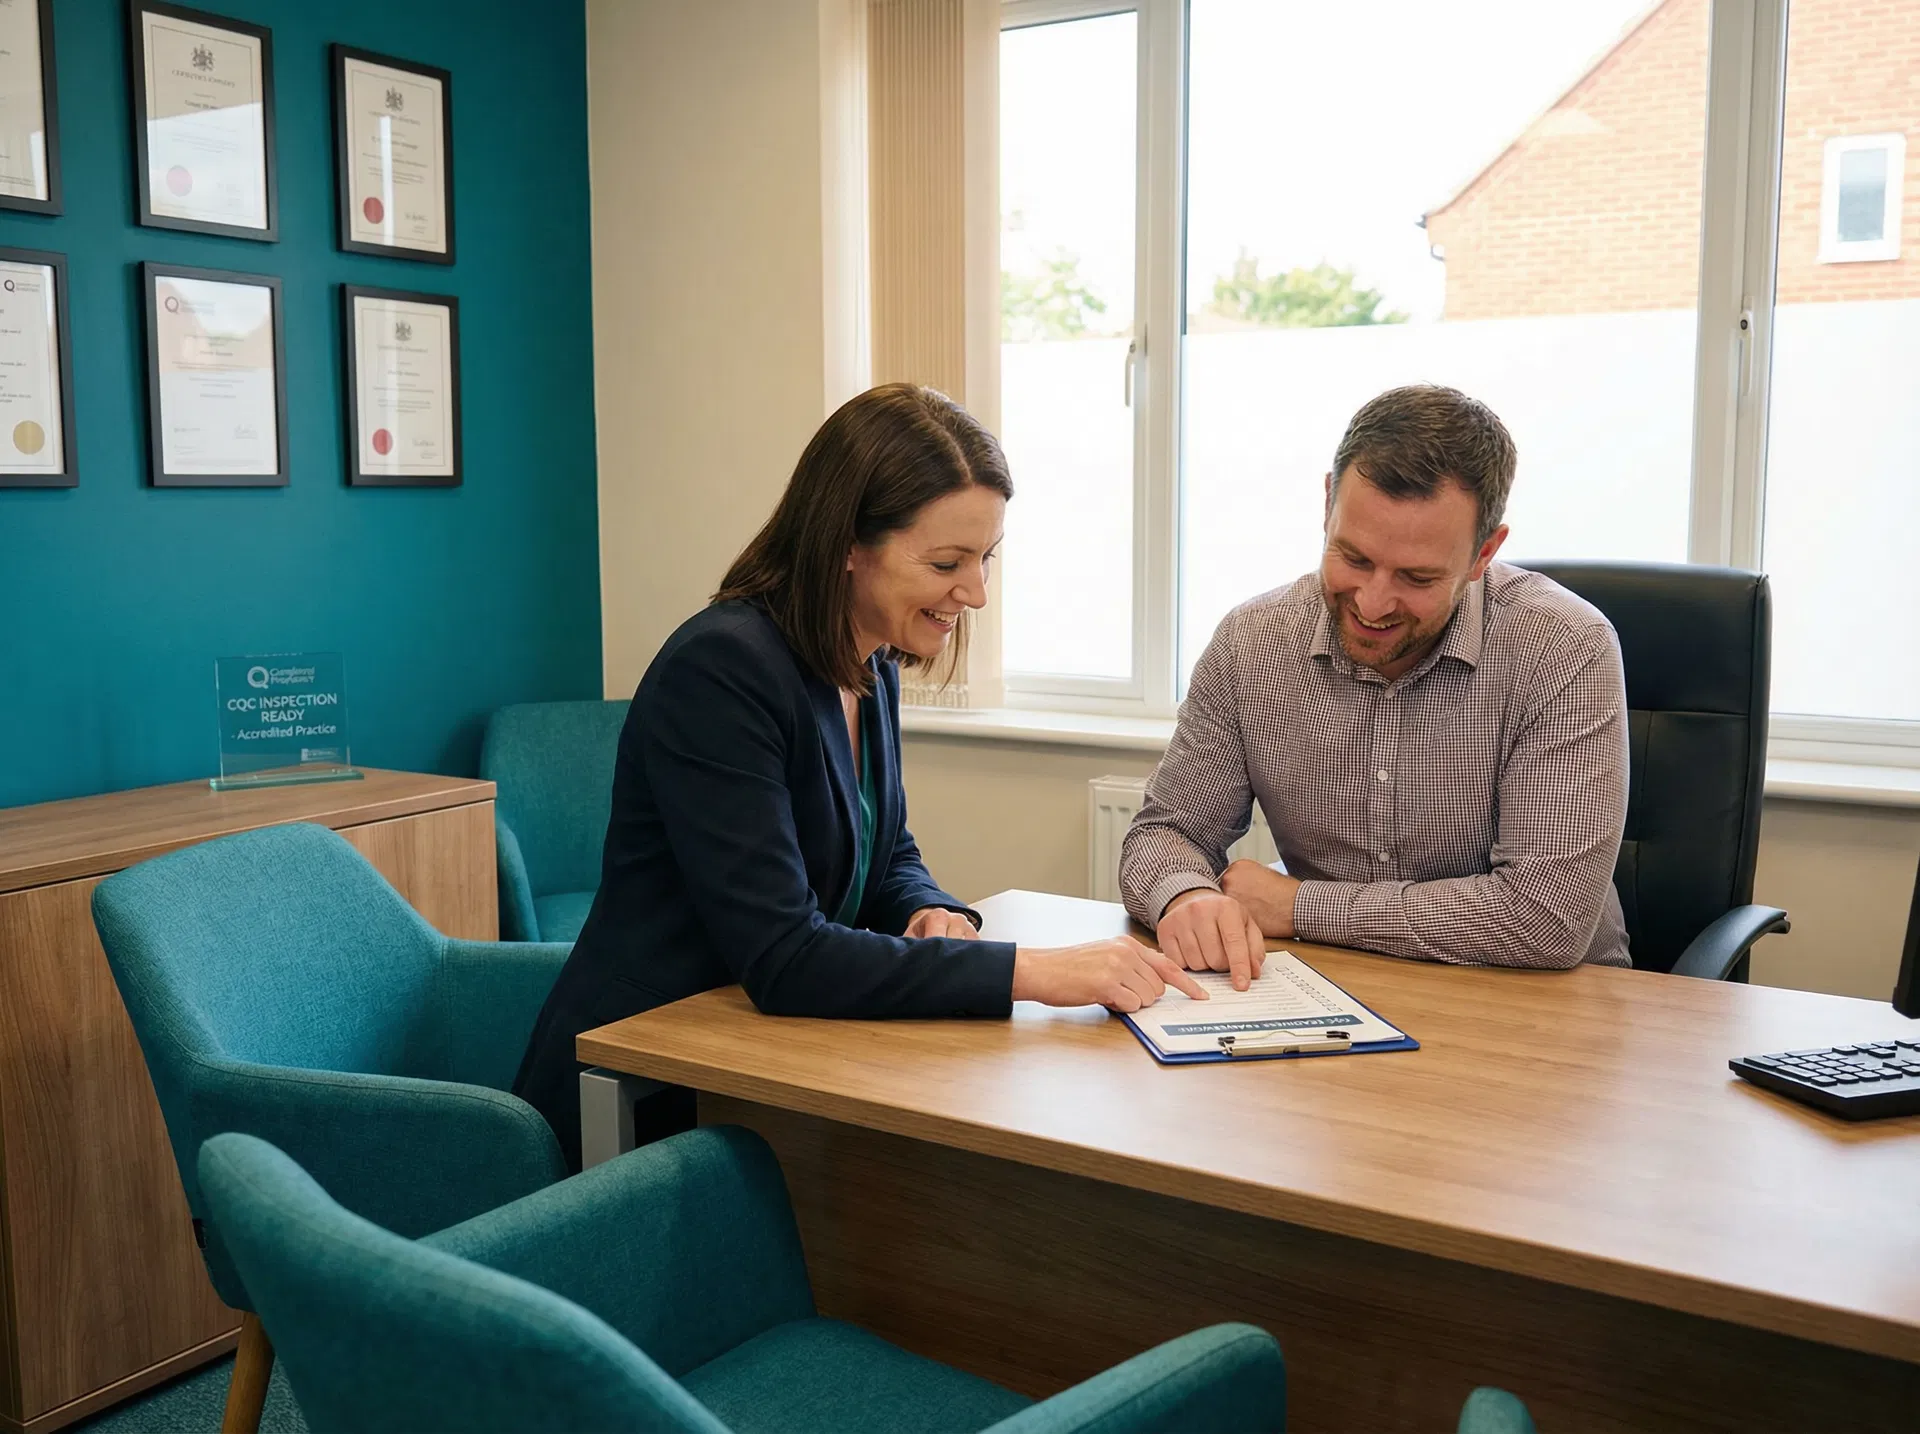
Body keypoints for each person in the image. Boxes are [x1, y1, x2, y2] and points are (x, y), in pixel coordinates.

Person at [517, 382, 1203, 1167]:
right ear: (847, 543)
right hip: (643, 1084)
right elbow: (785, 958)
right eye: (947, 562)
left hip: (751, 1060)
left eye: (986, 559)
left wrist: (932, 911)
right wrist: (1037, 972)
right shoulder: (723, 670)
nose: (975, 593)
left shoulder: (869, 663)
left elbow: (886, 852)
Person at [1121, 383, 1630, 988]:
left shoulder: (1563, 647)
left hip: (1543, 1007)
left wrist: (1300, 907)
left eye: (1415, 576)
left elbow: (1545, 918)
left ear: (1483, 553)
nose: (1372, 601)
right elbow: (1166, 833)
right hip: (1331, 990)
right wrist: (1187, 898)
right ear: (1329, 501)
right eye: (1354, 558)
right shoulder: (1250, 644)